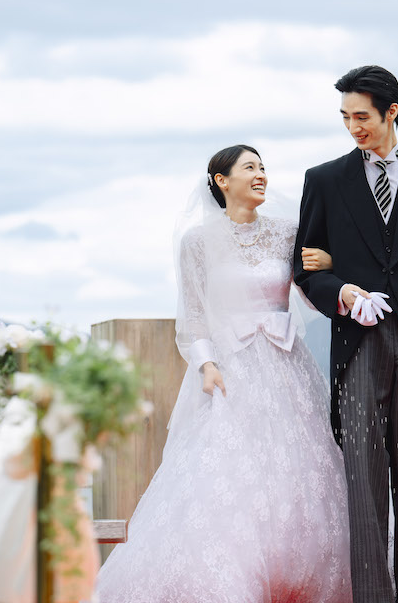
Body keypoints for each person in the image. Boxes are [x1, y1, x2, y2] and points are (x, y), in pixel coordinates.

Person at [93, 145, 352, 603]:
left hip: (287, 365)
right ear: (221, 180)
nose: (261, 175)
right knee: (227, 470)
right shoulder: (198, 240)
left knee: (297, 468)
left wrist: (332, 268)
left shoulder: (288, 234)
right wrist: (206, 365)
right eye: (250, 168)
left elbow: (312, 294)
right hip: (230, 370)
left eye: (263, 168)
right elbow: (193, 314)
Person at [294, 66, 398, 603]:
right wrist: (341, 290)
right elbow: (305, 268)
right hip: (358, 348)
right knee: (363, 484)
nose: (352, 127)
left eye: (361, 116)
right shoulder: (324, 180)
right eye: (345, 117)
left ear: (392, 112)